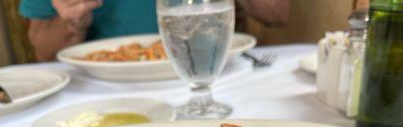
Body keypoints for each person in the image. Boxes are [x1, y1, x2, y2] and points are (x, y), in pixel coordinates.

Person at [20, 0, 290, 61]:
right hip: (106, 88)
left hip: (212, 67)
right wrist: (74, 18)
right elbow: (44, 50)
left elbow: (277, 12)